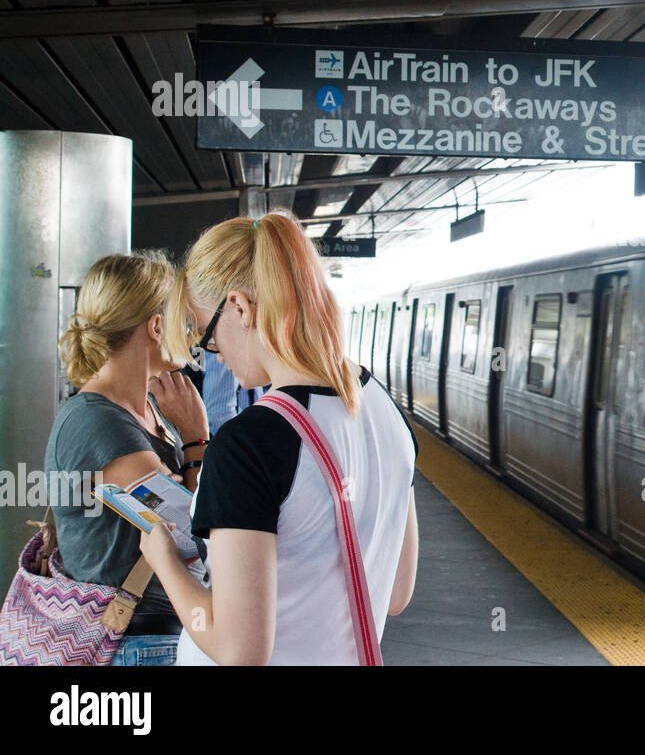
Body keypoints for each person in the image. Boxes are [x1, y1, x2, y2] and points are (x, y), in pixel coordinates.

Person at [143, 212, 419, 665]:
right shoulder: (384, 409)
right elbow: (394, 594)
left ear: (241, 307)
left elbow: (238, 651)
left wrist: (167, 565)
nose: (216, 356)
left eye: (207, 335)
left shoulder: (247, 444)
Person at [44, 252, 209, 666]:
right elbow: (192, 534)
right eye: (183, 321)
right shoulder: (101, 426)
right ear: (156, 327)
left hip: (155, 635)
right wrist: (195, 441)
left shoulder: (145, 412)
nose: (193, 335)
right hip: (131, 645)